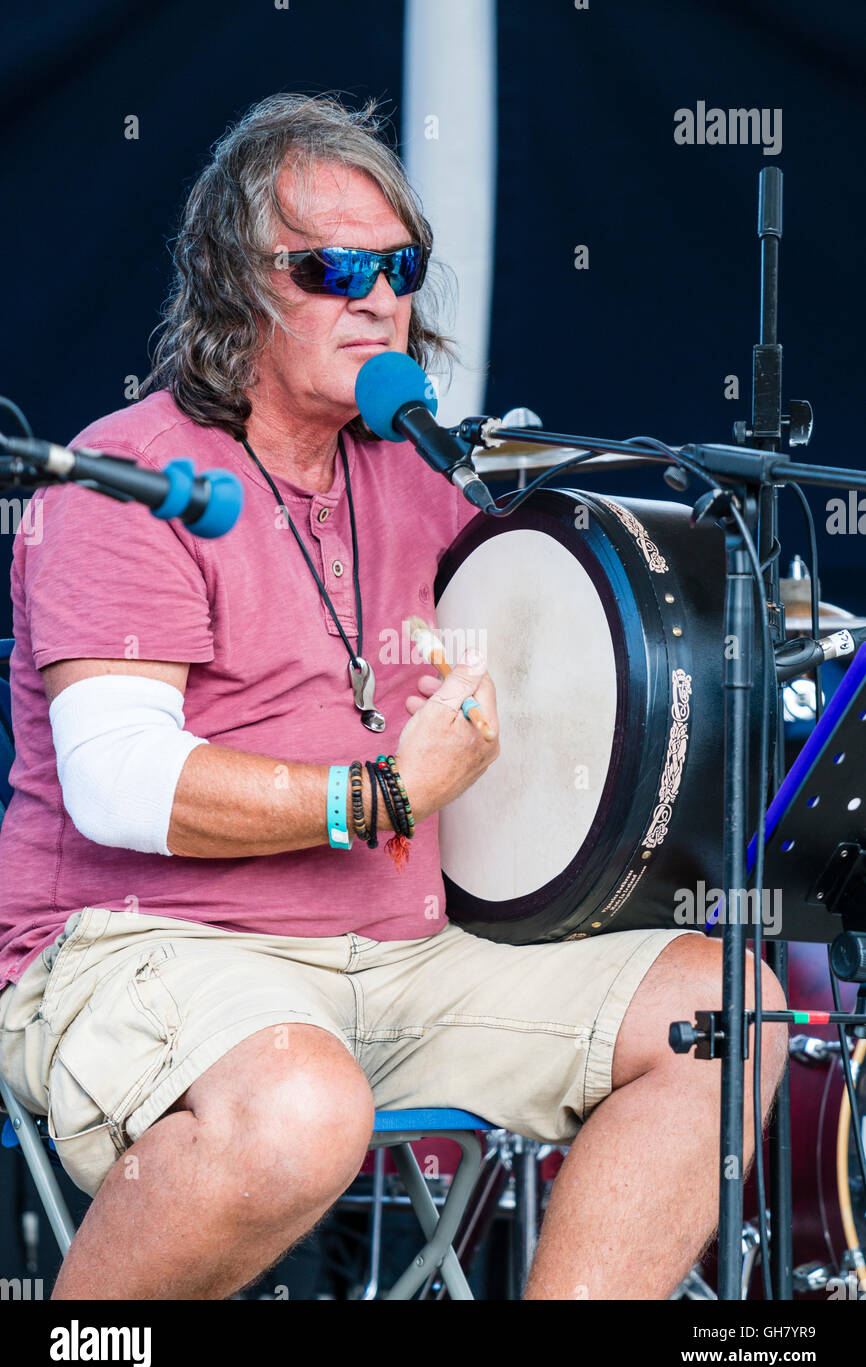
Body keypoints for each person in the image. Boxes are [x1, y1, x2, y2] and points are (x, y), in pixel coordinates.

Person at [0, 93, 787, 1300]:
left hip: (405, 958)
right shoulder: (128, 478)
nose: (373, 296)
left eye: (397, 267)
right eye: (329, 267)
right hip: (150, 944)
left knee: (723, 1005)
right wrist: (378, 795)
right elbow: (118, 785)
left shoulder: (433, 487)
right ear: (233, 288)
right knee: (305, 1106)